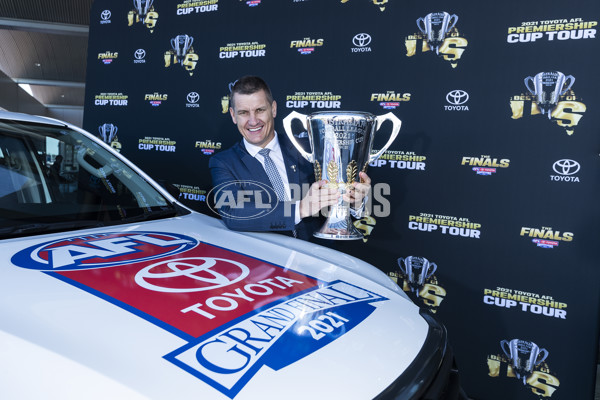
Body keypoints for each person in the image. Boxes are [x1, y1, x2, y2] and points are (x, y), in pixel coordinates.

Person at [209, 75, 370, 241]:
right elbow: (234, 213)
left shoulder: (310, 148)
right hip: (267, 262)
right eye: (243, 113)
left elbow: (339, 198)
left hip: (321, 257)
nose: (253, 121)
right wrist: (300, 208)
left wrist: (355, 202)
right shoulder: (223, 163)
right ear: (233, 115)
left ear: (273, 109)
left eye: (260, 110)